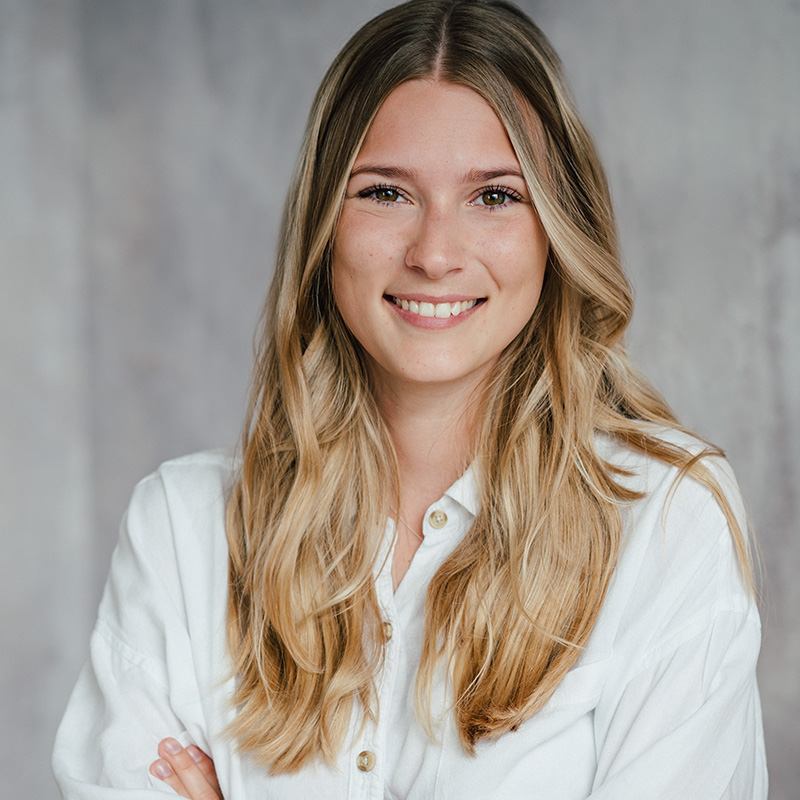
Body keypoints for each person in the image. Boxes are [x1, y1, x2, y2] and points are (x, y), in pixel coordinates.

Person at [52, 0, 768, 797]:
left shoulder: (666, 519)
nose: (433, 254)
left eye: (494, 196)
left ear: (558, 228)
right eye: (386, 193)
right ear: (324, 223)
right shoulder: (182, 533)